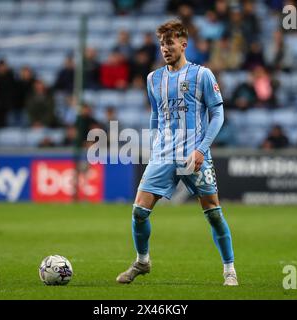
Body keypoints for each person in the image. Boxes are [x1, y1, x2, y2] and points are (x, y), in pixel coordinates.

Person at [116, 20, 238, 286]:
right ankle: (142, 261)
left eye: (169, 43)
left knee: (214, 213)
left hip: (193, 155)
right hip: (163, 155)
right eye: (161, 44)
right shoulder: (153, 79)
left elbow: (217, 113)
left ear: (184, 44)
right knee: (138, 212)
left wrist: (201, 149)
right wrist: (155, 145)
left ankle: (229, 269)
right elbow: (156, 116)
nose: (165, 48)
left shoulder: (202, 75)